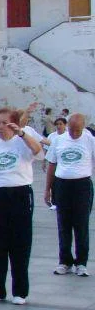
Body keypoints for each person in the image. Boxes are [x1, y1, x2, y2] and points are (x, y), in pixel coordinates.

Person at [0, 108, 44, 304]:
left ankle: (20, 292)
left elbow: (38, 152)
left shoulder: (23, 141)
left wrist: (22, 134)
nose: (0, 127)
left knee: (20, 245)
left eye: (5, 123)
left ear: (14, 124)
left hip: (19, 196)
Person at [45, 113, 94, 277]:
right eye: (71, 129)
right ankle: (65, 261)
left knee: (81, 225)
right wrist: (47, 189)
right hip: (62, 184)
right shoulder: (59, 140)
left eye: (77, 130)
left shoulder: (90, 140)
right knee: (63, 224)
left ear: (83, 127)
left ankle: (81, 262)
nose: (73, 133)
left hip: (82, 185)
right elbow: (52, 165)